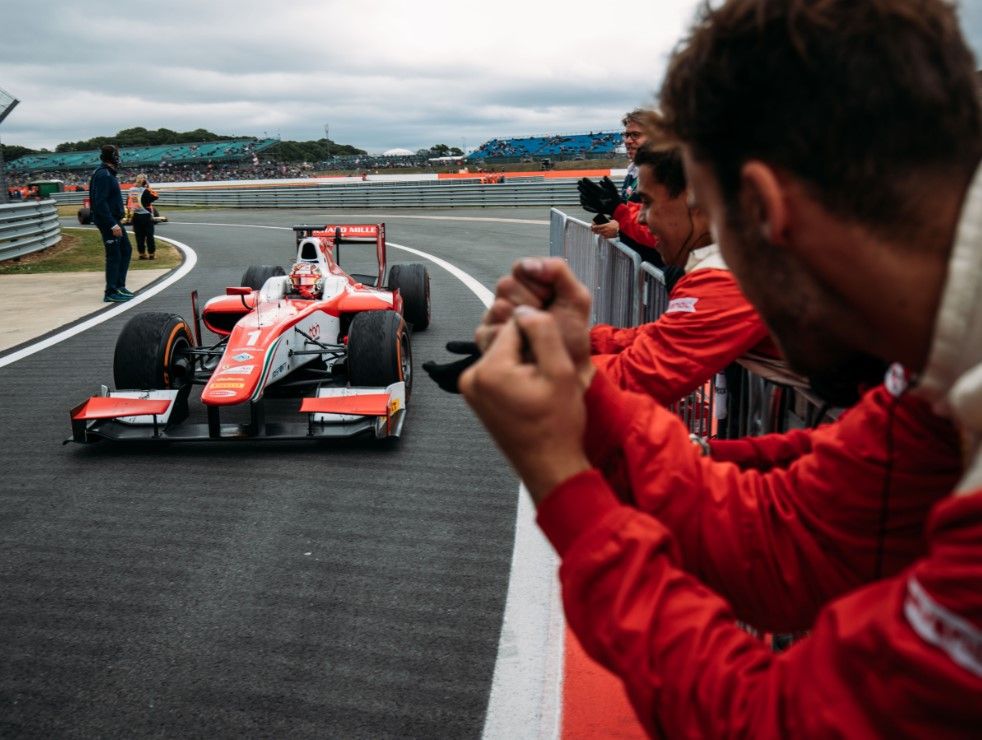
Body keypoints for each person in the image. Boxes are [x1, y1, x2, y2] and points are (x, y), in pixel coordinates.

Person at [459, 0, 982, 735]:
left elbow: (773, 723)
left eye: (719, 226)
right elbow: (792, 542)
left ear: (766, 213)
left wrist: (565, 486)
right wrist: (580, 396)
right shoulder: (945, 369)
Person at [488, 141, 780, 407]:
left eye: (648, 203)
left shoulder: (727, 278)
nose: (639, 216)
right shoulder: (742, 256)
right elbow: (658, 338)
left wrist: (532, 360)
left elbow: (644, 373)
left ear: (697, 203)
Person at [579, 109, 664, 265]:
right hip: (638, 268)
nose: (627, 141)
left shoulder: (664, 174)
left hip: (657, 272)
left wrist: (619, 229)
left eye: (635, 135)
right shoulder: (634, 172)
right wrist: (609, 218)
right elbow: (631, 212)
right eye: (626, 135)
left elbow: (662, 230)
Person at [89, 145, 133, 302]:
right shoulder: (104, 175)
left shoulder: (107, 173)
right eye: (117, 155)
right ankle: (111, 291)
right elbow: (100, 202)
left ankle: (119, 286)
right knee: (114, 254)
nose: (119, 158)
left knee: (126, 250)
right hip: (109, 220)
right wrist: (112, 224)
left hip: (113, 219)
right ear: (113, 157)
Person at [128, 173, 158, 260]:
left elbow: (129, 203)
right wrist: (148, 186)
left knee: (139, 236)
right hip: (146, 215)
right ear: (145, 181)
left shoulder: (131, 190)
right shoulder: (146, 191)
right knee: (149, 236)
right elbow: (155, 196)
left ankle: (141, 254)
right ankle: (151, 254)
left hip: (136, 215)